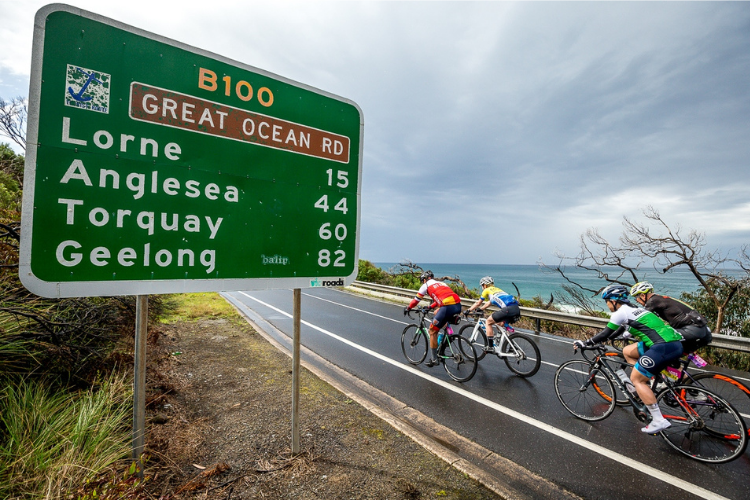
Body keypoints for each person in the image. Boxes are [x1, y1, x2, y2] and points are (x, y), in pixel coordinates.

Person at [574, 284, 683, 434]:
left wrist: (586, 343)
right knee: (628, 351)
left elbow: (606, 332)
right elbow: (619, 330)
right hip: (674, 343)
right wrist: (606, 339)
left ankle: (658, 419)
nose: (607, 305)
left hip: (662, 346)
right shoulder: (634, 309)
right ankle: (648, 382)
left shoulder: (621, 312)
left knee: (637, 379)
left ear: (613, 300)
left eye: (607, 301)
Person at [629, 281, 712, 353]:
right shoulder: (662, 299)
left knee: (658, 341)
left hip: (691, 329)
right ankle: (677, 369)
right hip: (704, 330)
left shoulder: (652, 301)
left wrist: (628, 332)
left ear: (643, 295)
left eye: (636, 297)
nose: (636, 300)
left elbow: (640, 318)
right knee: (675, 355)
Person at [404, 271, 462, 367]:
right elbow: (440, 298)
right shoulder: (442, 283)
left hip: (447, 307)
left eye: (423, 281)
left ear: (425, 279)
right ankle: (448, 334)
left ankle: (434, 359)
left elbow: (416, 300)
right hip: (458, 305)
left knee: (432, 330)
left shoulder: (426, 285)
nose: (423, 282)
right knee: (437, 313)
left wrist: (408, 308)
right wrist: (430, 307)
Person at [464, 276, 520, 352]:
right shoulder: (498, 290)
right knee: (500, 324)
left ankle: (490, 347)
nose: (482, 288)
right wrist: (481, 309)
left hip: (508, 310)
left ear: (485, 285)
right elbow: (488, 303)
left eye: (482, 286)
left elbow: (478, 303)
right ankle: (512, 346)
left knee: (488, 322)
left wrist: (468, 310)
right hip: (516, 309)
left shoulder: (486, 290)